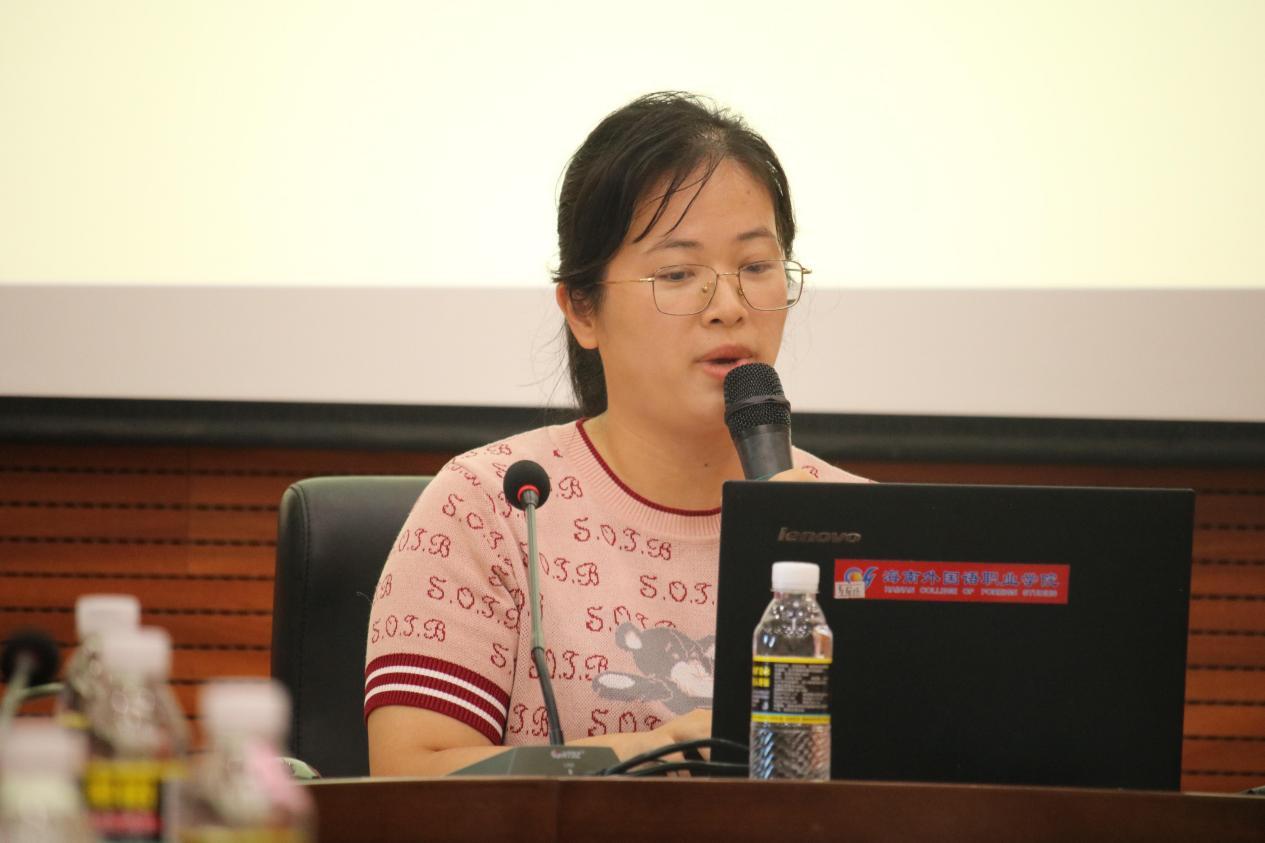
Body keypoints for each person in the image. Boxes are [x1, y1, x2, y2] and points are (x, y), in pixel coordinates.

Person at [365, 91, 867, 776]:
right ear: (582, 308)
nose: (728, 306)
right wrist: (653, 755)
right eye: (678, 273)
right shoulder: (494, 507)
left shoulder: (857, 523)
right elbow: (407, 778)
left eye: (755, 266)